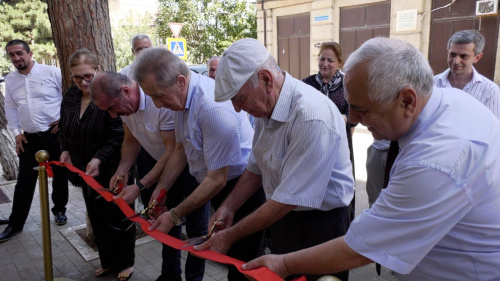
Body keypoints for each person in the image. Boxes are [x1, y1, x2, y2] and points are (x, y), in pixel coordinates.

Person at [242, 37, 500, 280]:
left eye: (362, 109)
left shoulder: (436, 162)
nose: (353, 119)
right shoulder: (448, 100)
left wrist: (284, 264)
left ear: (407, 100)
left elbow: (360, 247)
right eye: (351, 106)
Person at [195, 38, 355, 281]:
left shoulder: (310, 116)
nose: (238, 110)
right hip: (285, 216)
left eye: (240, 99)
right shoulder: (266, 105)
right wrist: (228, 207)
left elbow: (287, 199)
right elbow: (256, 166)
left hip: (322, 224)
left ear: (266, 79)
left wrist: (230, 235)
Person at [132, 47, 266, 281]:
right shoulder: (182, 98)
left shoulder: (211, 109)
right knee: (230, 258)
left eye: (159, 95)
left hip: (243, 190)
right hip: (219, 184)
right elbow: (180, 150)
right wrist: (159, 192)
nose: (158, 104)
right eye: (151, 97)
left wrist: (174, 215)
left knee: (243, 265)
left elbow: (217, 179)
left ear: (181, 81)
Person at [91, 71, 208, 281]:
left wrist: (141, 186)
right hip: (160, 165)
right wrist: (122, 169)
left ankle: (194, 278)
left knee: (196, 230)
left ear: (126, 91)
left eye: (112, 108)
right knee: (163, 222)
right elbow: (130, 140)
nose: (113, 116)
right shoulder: (124, 104)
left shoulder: (158, 102)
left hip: (191, 170)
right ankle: (170, 275)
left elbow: (172, 150)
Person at [58, 49, 135, 280]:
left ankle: (126, 263)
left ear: (99, 70)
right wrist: (64, 150)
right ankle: (108, 262)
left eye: (88, 76)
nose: (83, 82)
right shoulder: (70, 96)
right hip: (84, 170)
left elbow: (117, 136)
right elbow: (63, 128)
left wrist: (99, 158)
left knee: (118, 218)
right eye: (77, 77)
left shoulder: (108, 96)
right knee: (97, 219)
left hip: (111, 168)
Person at [1, 40, 69, 243]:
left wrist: (64, 121)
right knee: (24, 181)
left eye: (19, 53)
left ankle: (59, 210)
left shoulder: (51, 72)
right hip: (28, 138)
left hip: (54, 134)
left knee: (60, 174)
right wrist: (16, 133)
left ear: (30, 53)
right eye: (11, 54)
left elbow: (68, 97)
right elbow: (11, 108)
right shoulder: (11, 79)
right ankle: (16, 223)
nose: (16, 58)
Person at [302, 42, 357, 178]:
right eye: (322, 59)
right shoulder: (307, 84)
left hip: (340, 144)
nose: (325, 63)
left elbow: (356, 112)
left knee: (338, 183)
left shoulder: (348, 84)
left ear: (339, 63)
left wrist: (345, 118)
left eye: (330, 60)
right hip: (313, 144)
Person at [434, 29, 500, 119]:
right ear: (447, 52)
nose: (456, 61)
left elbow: (493, 129)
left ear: (477, 57)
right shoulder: (431, 84)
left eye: (464, 56)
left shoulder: (489, 91)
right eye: (452, 54)